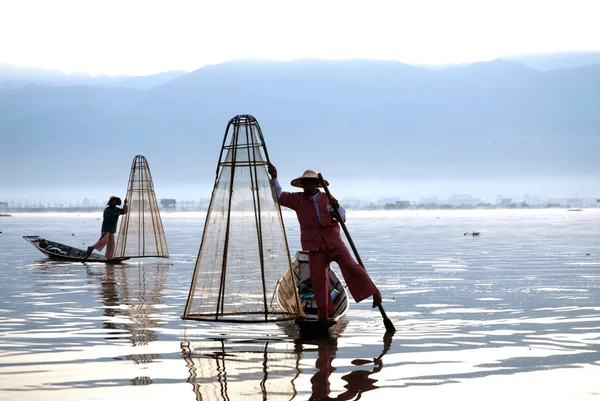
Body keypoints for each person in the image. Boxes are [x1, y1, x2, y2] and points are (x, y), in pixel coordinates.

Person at [267, 163, 382, 326]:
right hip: (314, 244)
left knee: (350, 266)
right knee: (319, 280)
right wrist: (274, 177)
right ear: (302, 186)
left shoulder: (327, 197)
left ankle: (375, 291)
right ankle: (324, 315)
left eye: (310, 183)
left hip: (333, 240)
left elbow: (342, 217)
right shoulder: (297, 199)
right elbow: (278, 197)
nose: (307, 186)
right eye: (305, 183)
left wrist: (337, 208)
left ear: (316, 185)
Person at [85, 196, 128, 260]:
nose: (114, 202)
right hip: (106, 229)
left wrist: (125, 204)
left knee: (111, 244)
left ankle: (109, 257)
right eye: (113, 201)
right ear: (110, 202)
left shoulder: (116, 209)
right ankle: (91, 247)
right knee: (104, 240)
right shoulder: (107, 209)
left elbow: (124, 211)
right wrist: (116, 215)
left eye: (115, 201)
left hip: (112, 229)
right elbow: (107, 218)